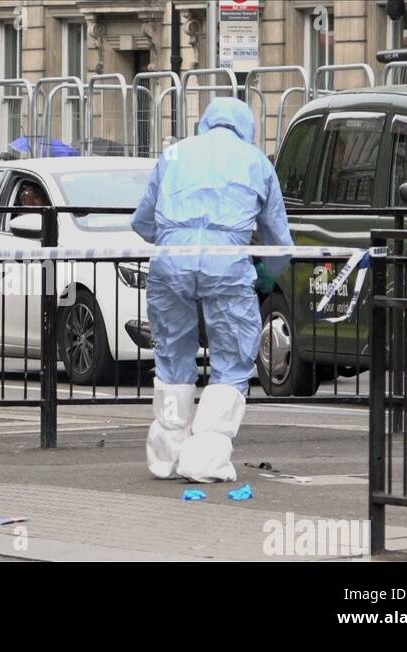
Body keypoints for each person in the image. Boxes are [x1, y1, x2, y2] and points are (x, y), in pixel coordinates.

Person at [131, 97, 292, 483]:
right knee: (232, 363)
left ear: (204, 123)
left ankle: (166, 456)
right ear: (246, 127)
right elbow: (278, 243)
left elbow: (142, 221)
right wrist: (267, 276)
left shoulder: (173, 155)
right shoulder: (256, 162)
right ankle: (205, 457)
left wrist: (175, 239)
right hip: (227, 262)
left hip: (171, 262)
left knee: (172, 359)